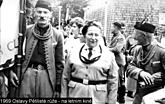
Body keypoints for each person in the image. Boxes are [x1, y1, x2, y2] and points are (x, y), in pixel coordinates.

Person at [9, 0, 64, 97]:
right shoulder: (26, 31)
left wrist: (58, 85)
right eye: (39, 12)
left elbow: (59, 63)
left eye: (45, 12)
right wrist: (11, 71)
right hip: (27, 75)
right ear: (34, 13)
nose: (42, 15)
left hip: (47, 77)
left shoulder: (57, 35)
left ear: (50, 15)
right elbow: (15, 52)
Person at [61, 21, 119, 104]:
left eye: (96, 35)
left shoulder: (108, 55)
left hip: (98, 98)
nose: (93, 37)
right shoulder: (73, 52)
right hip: (75, 94)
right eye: (90, 34)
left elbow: (113, 81)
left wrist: (111, 102)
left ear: (100, 36)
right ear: (84, 35)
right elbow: (65, 77)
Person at [126, 22, 165, 104]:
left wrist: (154, 77)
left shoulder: (161, 51)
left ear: (143, 36)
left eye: (136, 34)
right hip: (139, 96)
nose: (134, 37)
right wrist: (140, 73)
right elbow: (129, 68)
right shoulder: (138, 50)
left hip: (155, 97)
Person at [108, 22, 126, 104]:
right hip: (114, 61)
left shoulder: (121, 37)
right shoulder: (114, 37)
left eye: (113, 27)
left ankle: (121, 99)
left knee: (120, 81)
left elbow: (117, 49)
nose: (111, 29)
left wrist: (107, 49)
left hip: (119, 62)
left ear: (117, 28)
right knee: (115, 80)